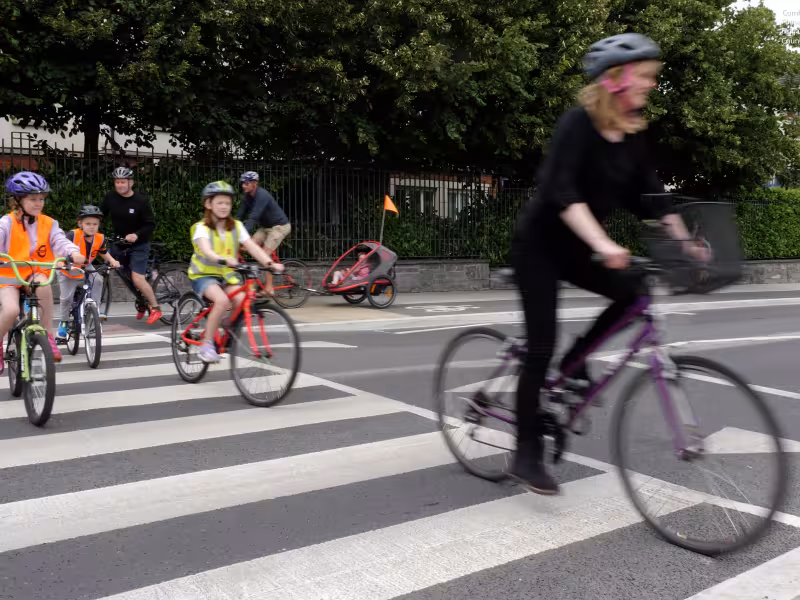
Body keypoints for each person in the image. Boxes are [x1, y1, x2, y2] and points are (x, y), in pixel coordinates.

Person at [509, 33, 706, 495]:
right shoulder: (577, 125)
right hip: (538, 246)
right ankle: (524, 452)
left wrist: (687, 242)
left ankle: (576, 360)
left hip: (580, 249)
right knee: (540, 346)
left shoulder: (632, 135)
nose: (653, 85)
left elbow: (653, 196)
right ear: (616, 78)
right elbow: (562, 192)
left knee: (635, 291)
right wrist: (604, 242)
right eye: (647, 75)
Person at [188, 181, 283, 363]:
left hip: (226, 276)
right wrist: (222, 259)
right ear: (209, 204)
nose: (224, 207)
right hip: (203, 275)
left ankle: (225, 325)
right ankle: (207, 344)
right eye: (219, 202)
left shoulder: (236, 226)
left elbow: (253, 248)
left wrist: (270, 263)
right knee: (222, 301)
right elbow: (207, 250)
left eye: (228, 203)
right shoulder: (201, 227)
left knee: (241, 300)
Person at [0, 171, 85, 371]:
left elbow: (60, 241)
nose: (39, 203)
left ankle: (48, 336)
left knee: (44, 287)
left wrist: (73, 252)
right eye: (32, 199)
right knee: (11, 310)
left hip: (34, 273)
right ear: (18, 201)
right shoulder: (6, 223)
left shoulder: (49, 223)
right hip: (9, 277)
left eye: (41, 199)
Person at [99, 167, 162, 324]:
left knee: (137, 278)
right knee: (110, 271)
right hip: (118, 243)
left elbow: (150, 224)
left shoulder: (140, 201)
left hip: (138, 244)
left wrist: (137, 234)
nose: (120, 185)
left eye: (123, 182)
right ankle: (141, 300)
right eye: (117, 182)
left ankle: (155, 308)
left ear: (131, 183)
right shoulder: (110, 198)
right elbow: (99, 216)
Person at [56, 205, 121, 339]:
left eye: (95, 224)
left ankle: (93, 310)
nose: (92, 227)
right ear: (80, 223)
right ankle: (63, 322)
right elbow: (59, 250)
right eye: (88, 224)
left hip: (86, 265)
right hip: (68, 267)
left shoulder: (99, 238)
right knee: (67, 298)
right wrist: (61, 264)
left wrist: (113, 261)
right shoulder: (72, 235)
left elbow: (102, 252)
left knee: (97, 280)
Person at [237, 171, 290, 297]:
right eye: (242, 183)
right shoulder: (248, 197)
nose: (243, 185)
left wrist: (241, 234)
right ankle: (263, 279)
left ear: (254, 184)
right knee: (248, 247)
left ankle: (269, 288)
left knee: (264, 254)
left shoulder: (262, 195)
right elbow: (240, 215)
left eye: (246, 183)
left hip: (279, 227)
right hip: (265, 227)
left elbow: (254, 217)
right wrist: (229, 227)